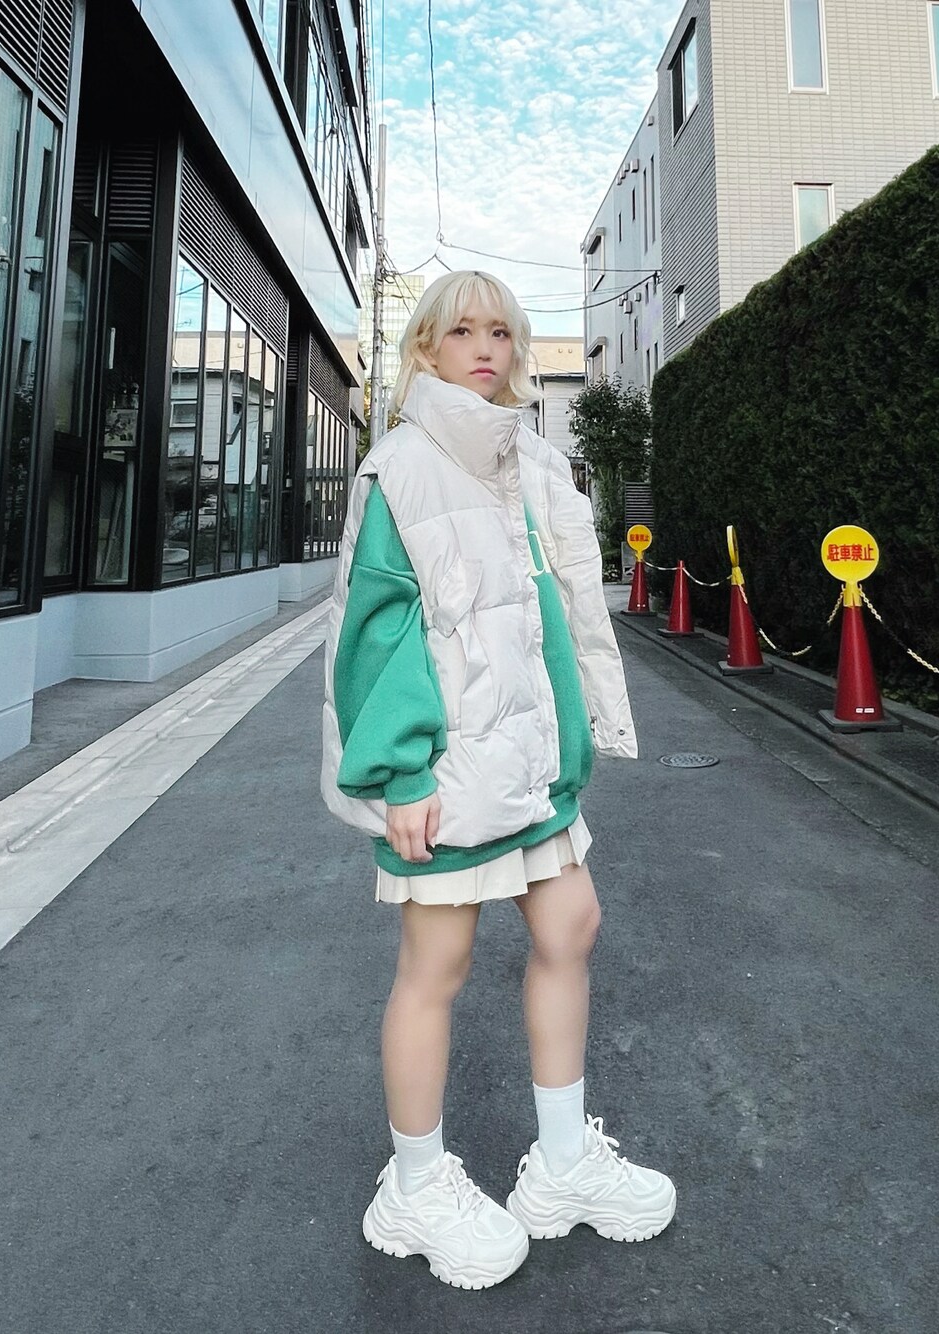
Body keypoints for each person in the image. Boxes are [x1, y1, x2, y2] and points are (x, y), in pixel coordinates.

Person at [320, 270, 675, 1290]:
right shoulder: (402, 466)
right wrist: (400, 773)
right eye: (462, 331)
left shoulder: (534, 460)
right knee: (436, 963)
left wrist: (579, 736)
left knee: (571, 925)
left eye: (502, 333)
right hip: (448, 771)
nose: (486, 348)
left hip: (533, 765)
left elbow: (557, 611)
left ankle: (560, 1164)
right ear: (426, 350)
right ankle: (413, 1183)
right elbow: (375, 631)